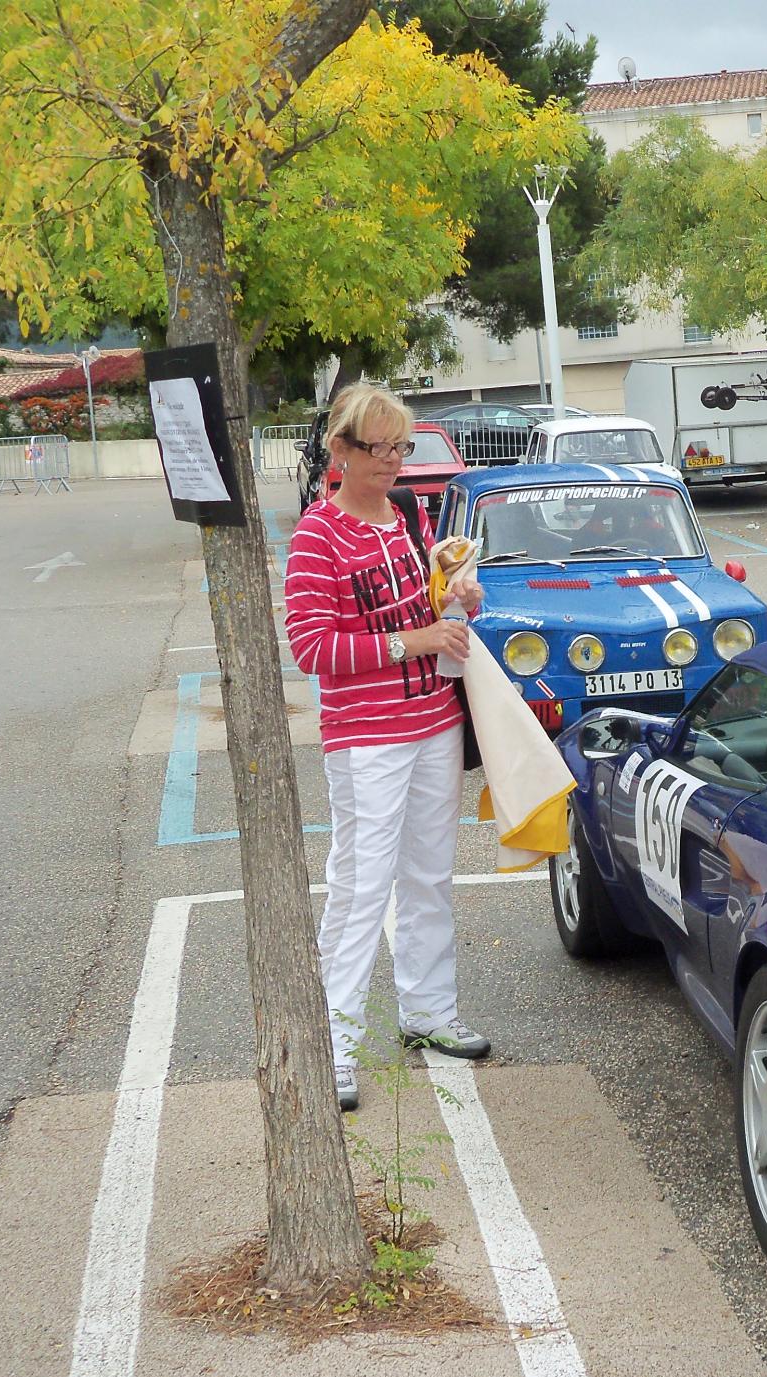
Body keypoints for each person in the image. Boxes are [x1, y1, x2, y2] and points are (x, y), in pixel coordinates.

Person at [284, 383, 488, 1111]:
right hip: (367, 737)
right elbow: (311, 647)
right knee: (360, 885)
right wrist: (414, 641)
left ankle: (428, 1010)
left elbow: (428, 608)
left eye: (400, 446)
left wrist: (458, 600)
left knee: (430, 875)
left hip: (435, 721)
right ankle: (334, 1043)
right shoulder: (317, 534)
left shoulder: (407, 516)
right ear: (339, 450)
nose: (393, 461)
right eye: (378, 448)